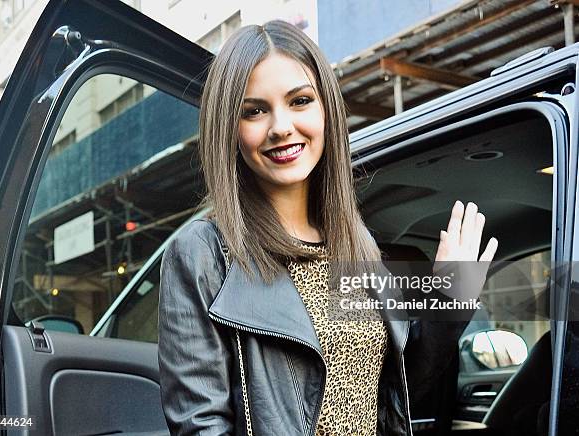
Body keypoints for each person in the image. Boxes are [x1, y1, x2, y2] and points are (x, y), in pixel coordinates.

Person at [158, 19, 498, 436]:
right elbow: (201, 426)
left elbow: (390, 392)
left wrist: (449, 299)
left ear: (326, 111)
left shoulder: (357, 243)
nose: (281, 126)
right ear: (228, 129)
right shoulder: (204, 251)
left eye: (299, 101)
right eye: (255, 110)